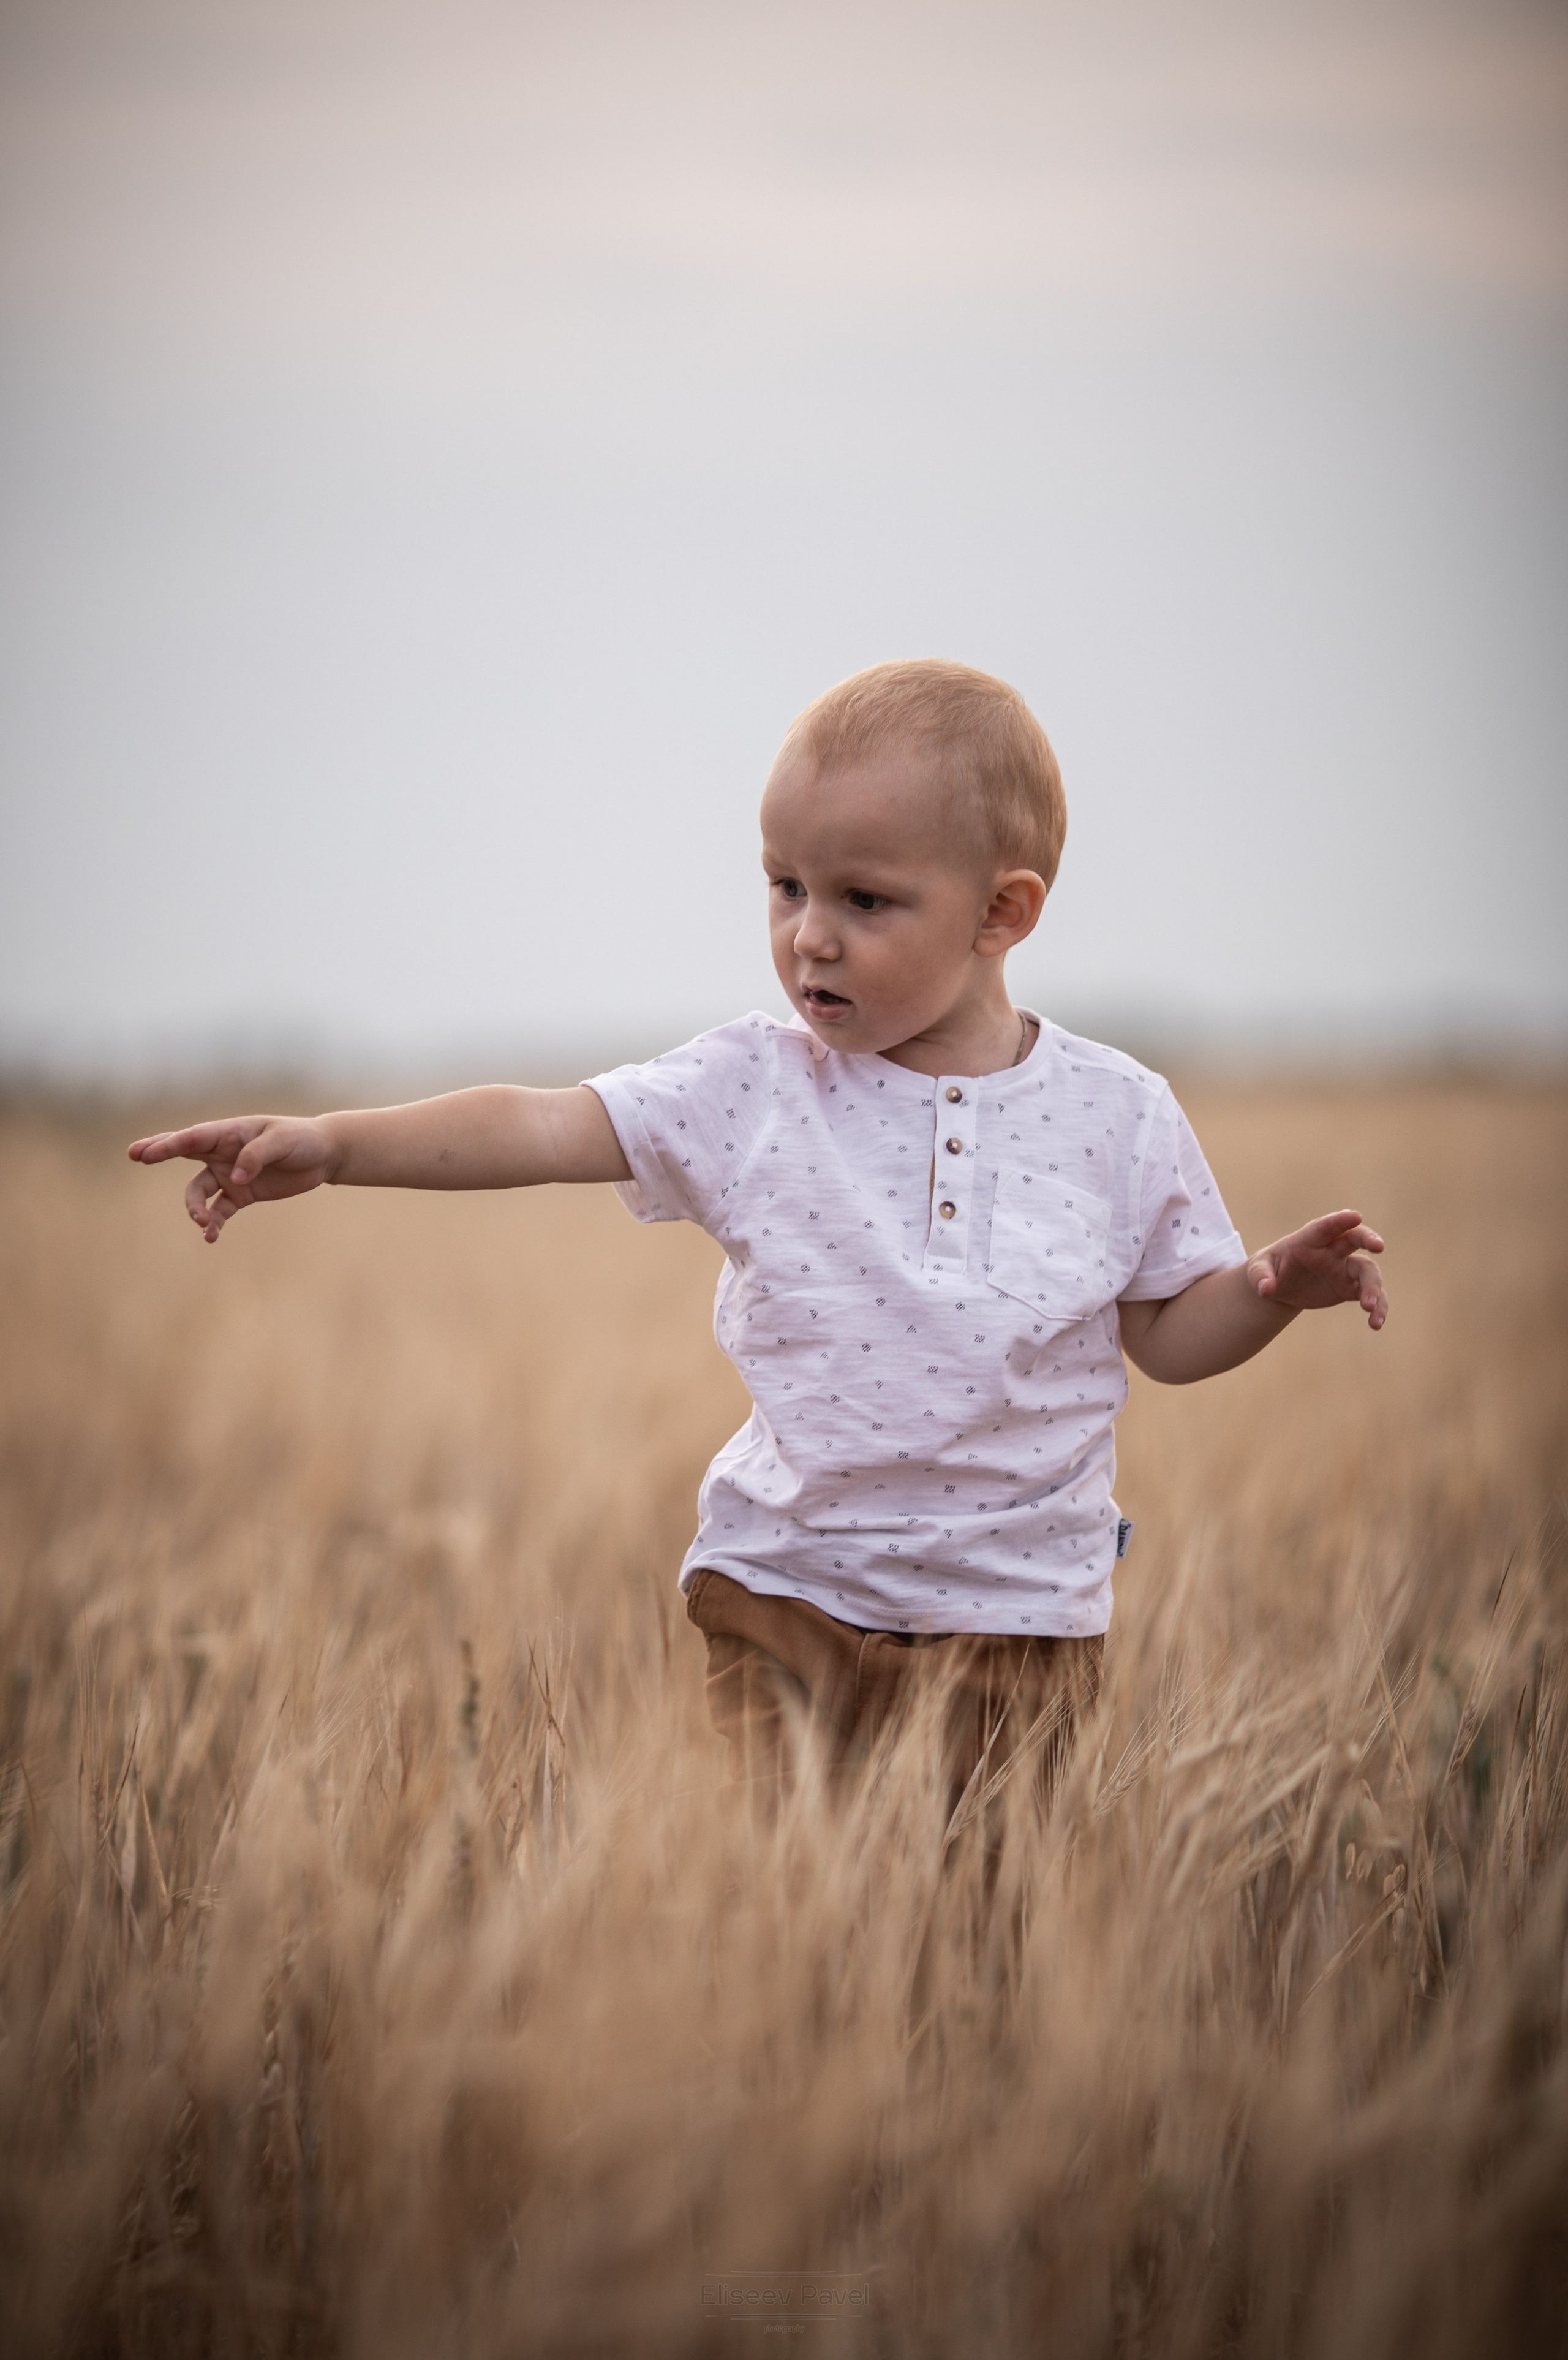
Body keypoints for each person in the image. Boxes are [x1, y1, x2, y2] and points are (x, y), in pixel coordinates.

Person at [129, 660, 1386, 1822]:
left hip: (1022, 1625)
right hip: (785, 1591)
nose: (808, 935)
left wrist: (1269, 1287)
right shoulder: (755, 1087)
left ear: (1002, 913)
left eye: (863, 899)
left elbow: (1167, 1337)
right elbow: (545, 1123)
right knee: (776, 1906)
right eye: (785, 886)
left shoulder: (1118, 1114)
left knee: (983, 1940)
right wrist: (338, 1143)